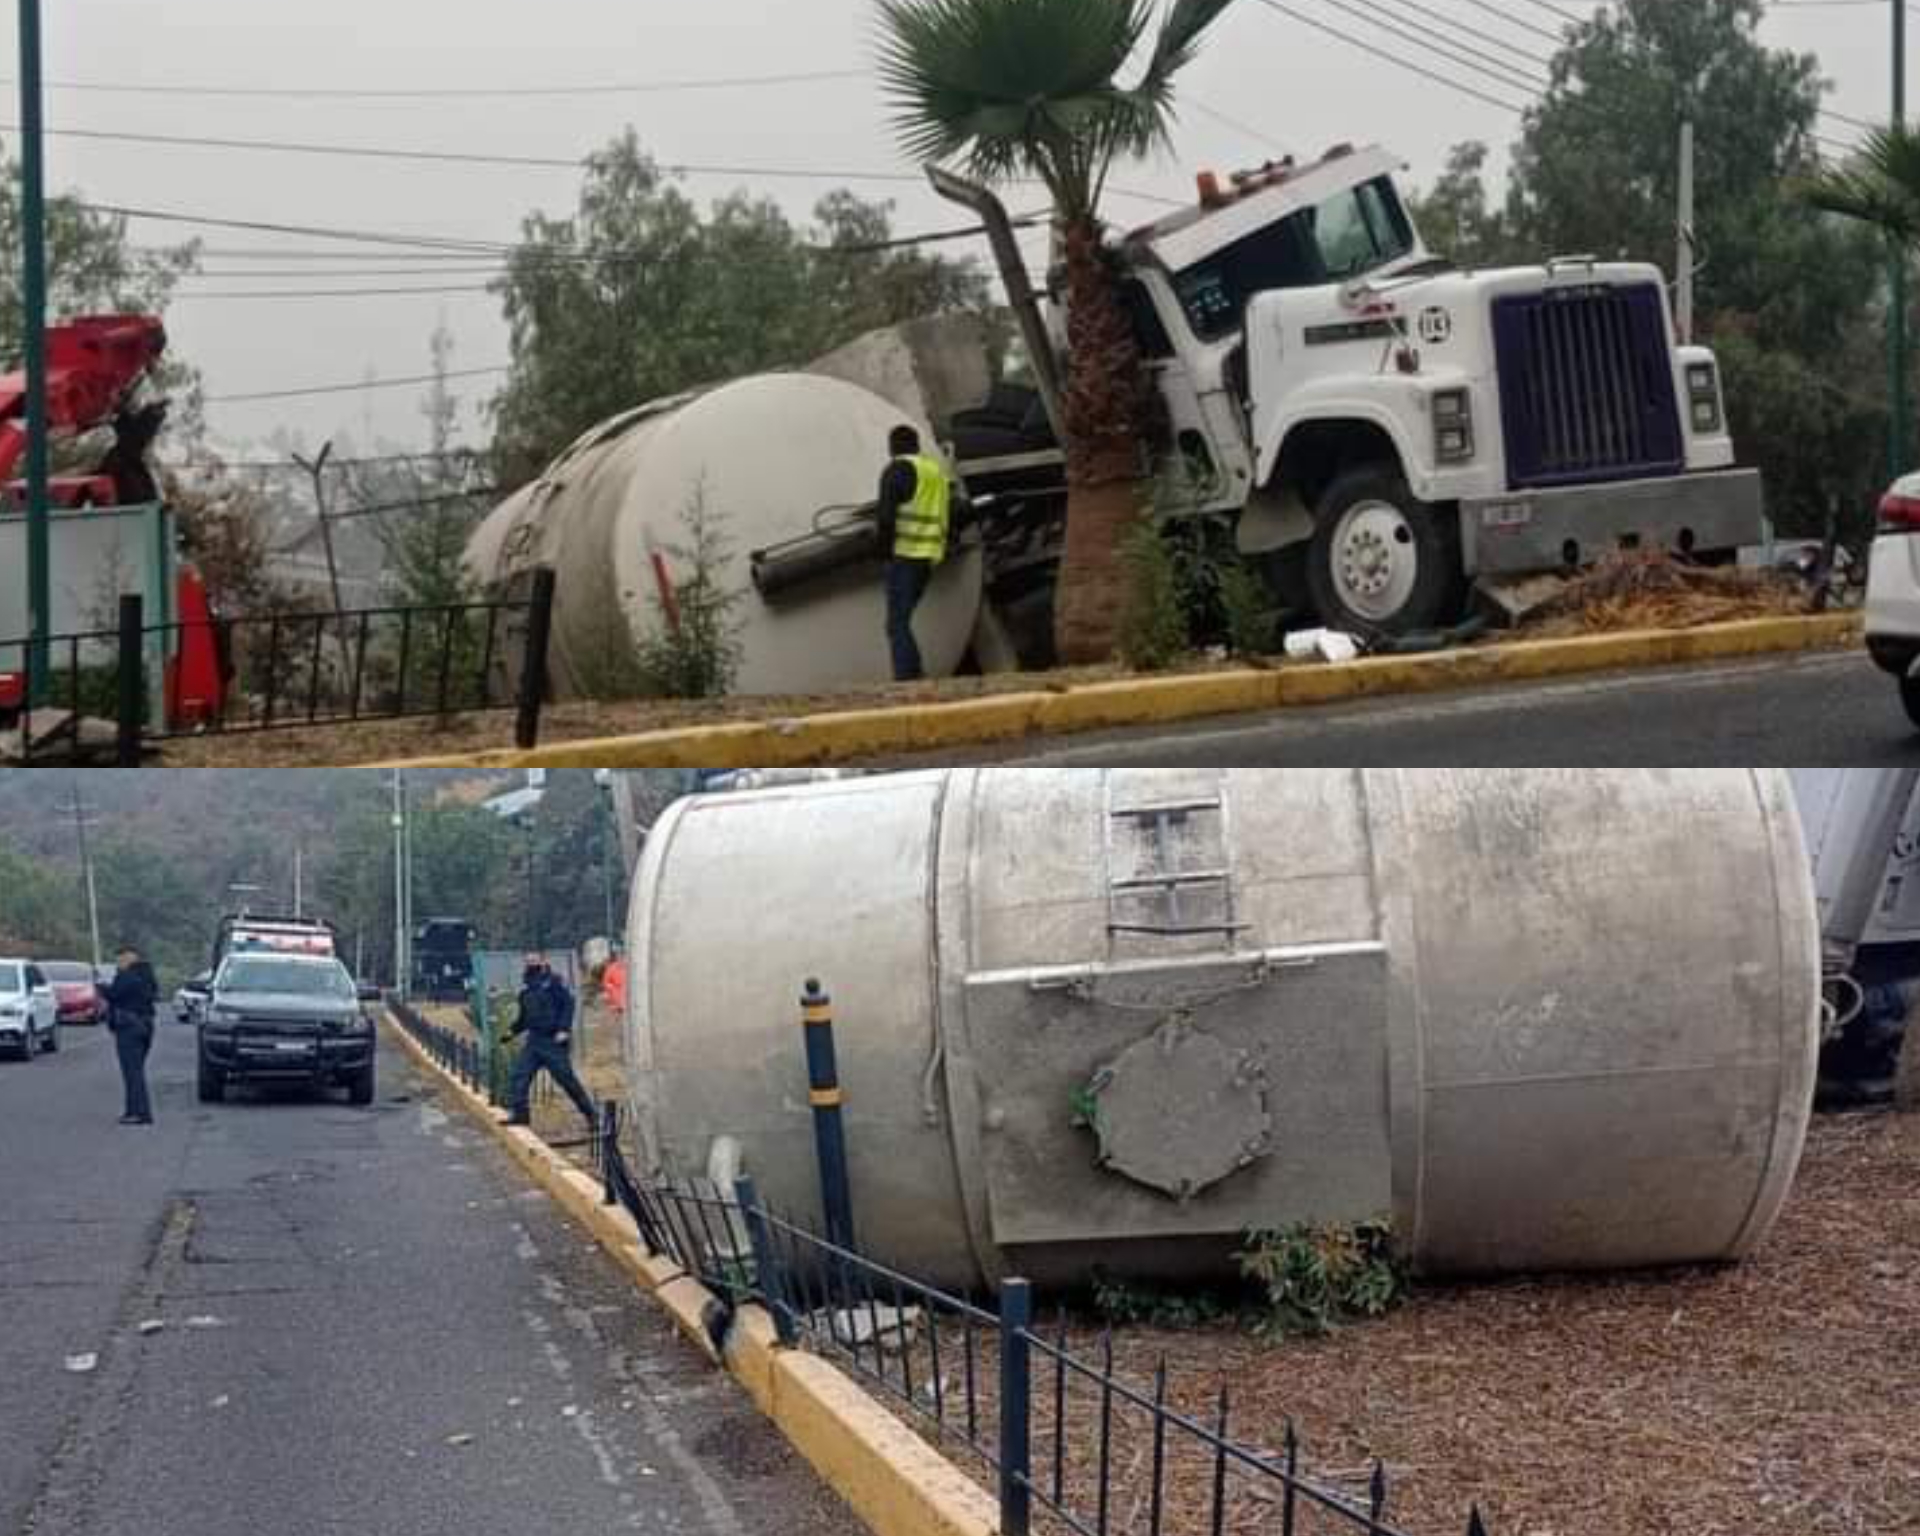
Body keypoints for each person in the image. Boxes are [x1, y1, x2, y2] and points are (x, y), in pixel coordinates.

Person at [874, 424, 954, 682]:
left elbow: (886, 518)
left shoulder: (897, 470)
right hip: (929, 556)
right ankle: (913, 671)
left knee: (896, 622)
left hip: (904, 555)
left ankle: (908, 677)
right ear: (917, 445)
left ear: (892, 447)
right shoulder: (934, 472)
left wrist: (883, 554)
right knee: (901, 620)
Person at [503, 952, 596, 1130]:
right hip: (534, 1042)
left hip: (553, 1041)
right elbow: (524, 1019)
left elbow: (568, 1004)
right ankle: (520, 1115)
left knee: (568, 1082)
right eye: (528, 961)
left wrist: (564, 1029)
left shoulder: (554, 982)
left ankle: (592, 1116)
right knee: (519, 1076)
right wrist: (509, 1034)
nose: (531, 963)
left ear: (543, 962)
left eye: (535, 960)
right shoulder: (525, 991)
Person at [100, 945, 158, 1126]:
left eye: (120, 959)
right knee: (136, 1071)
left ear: (130, 958)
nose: (118, 963)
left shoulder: (128, 977)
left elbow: (114, 995)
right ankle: (135, 1110)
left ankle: (139, 1113)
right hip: (145, 1025)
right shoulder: (147, 975)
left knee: (132, 1072)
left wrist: (100, 987)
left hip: (129, 1027)